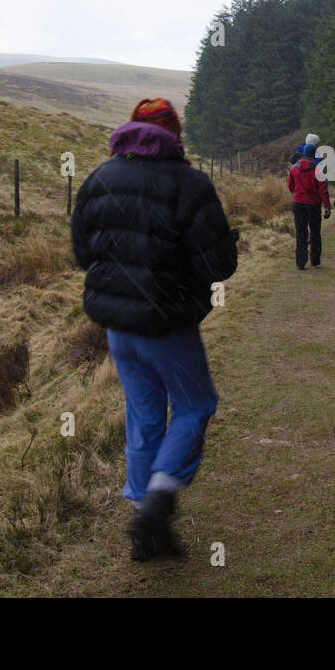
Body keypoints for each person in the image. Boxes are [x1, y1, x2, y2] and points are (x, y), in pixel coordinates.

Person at [70, 96, 238, 562]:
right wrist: (225, 246)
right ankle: (160, 496)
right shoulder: (189, 183)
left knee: (143, 414)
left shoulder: (99, 179)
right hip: (167, 323)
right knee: (194, 403)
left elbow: (84, 254)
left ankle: (144, 511)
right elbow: (217, 264)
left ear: (131, 129)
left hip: (117, 328)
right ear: (174, 133)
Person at [287, 142, 330, 269]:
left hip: (298, 203)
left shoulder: (294, 168)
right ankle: (315, 259)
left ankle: (301, 262)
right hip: (313, 205)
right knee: (315, 231)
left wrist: (297, 193)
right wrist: (327, 206)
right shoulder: (318, 169)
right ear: (313, 153)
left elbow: (290, 186)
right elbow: (323, 190)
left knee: (301, 233)